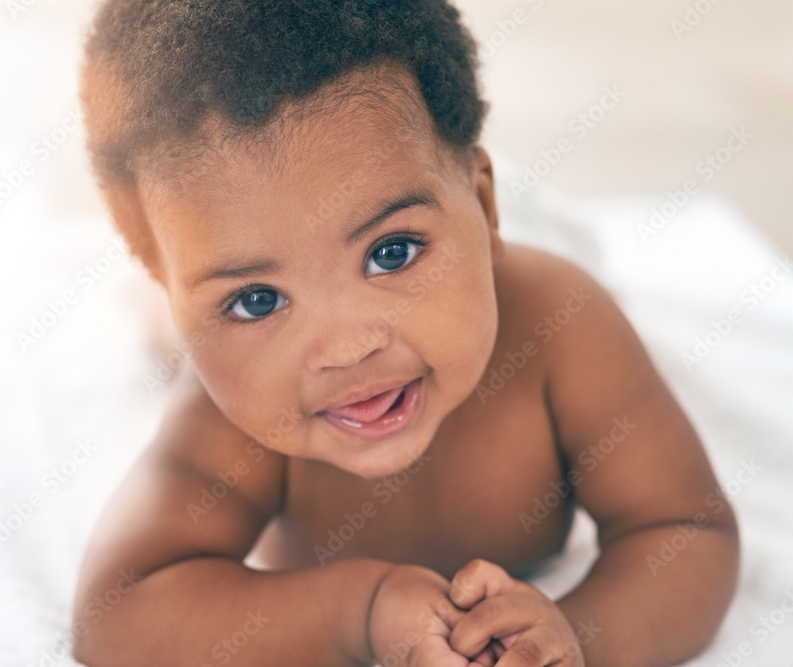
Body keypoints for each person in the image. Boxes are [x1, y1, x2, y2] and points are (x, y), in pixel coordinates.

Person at [70, 1, 739, 665]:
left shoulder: (562, 325)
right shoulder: (224, 415)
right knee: (160, 335)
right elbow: (118, 616)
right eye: (256, 299)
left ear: (482, 204)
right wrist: (361, 613)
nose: (346, 347)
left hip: (527, 235)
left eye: (392, 253)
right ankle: (159, 307)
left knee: (580, 248)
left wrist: (576, 636)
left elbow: (687, 529)